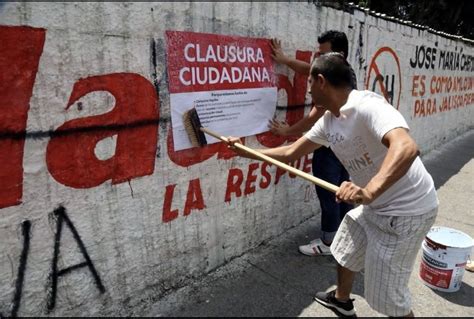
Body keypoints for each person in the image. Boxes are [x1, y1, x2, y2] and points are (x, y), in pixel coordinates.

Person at [226, 53, 439, 317]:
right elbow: (290, 152)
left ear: (321, 81)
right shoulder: (328, 121)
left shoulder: (367, 106)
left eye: (310, 83)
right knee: (344, 248)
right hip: (375, 206)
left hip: (406, 212)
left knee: (387, 299)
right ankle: (341, 300)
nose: (308, 90)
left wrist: (368, 190)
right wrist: (245, 151)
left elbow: (406, 147)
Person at [269, 30, 356, 256]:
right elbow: (308, 69)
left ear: (340, 53)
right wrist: (286, 60)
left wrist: (288, 130)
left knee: (329, 194)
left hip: (328, 147)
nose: (319, 60)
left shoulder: (331, 83)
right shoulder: (341, 72)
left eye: (323, 54)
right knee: (342, 191)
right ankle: (348, 235)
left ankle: (328, 243)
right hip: (343, 144)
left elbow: (315, 116)